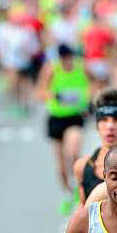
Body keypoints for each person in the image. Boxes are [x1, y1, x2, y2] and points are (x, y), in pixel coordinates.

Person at [38, 44, 90, 212]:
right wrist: (55, 96)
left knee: (73, 152)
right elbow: (40, 92)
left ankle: (79, 188)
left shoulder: (82, 68)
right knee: (60, 165)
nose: (67, 62)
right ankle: (68, 193)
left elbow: (94, 84)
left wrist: (88, 100)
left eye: (69, 58)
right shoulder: (51, 69)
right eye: (63, 59)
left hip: (74, 117)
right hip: (56, 118)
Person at [73, 89, 117, 205]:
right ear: (97, 126)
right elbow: (82, 209)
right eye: (104, 120)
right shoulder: (82, 166)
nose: (110, 126)